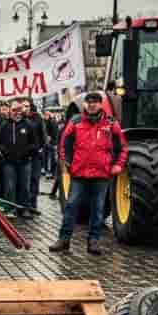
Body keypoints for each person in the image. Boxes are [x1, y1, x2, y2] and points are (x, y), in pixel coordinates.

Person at [50, 91, 126, 255]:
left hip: (101, 174)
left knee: (97, 209)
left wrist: (118, 165)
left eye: (95, 102)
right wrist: (67, 162)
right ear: (85, 104)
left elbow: (122, 147)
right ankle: (64, 239)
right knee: (71, 206)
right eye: (89, 102)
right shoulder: (76, 121)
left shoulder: (111, 124)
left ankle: (93, 242)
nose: (91, 105)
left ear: (100, 104)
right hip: (79, 173)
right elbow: (64, 144)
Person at [0, 99, 42, 217]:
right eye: (14, 110)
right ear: (10, 111)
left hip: (25, 161)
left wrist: (27, 152)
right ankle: (10, 209)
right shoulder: (4, 125)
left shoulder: (29, 125)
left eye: (19, 110)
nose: (17, 113)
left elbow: (35, 143)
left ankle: (24, 209)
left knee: (25, 186)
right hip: (8, 162)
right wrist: (4, 152)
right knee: (10, 186)